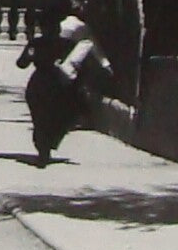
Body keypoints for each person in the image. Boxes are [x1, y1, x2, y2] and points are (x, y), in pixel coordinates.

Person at [16, 14, 113, 168]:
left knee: (42, 119)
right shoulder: (66, 44)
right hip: (55, 86)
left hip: (44, 85)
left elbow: (21, 64)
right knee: (52, 119)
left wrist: (30, 55)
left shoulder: (38, 44)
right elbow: (79, 65)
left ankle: (43, 148)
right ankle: (45, 148)